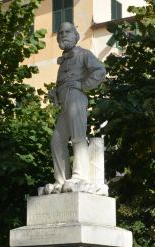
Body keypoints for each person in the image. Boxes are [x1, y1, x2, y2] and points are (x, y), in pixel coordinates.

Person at [44, 22, 106, 194]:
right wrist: (55, 93)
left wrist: (83, 85)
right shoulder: (63, 61)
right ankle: (61, 181)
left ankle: (80, 176)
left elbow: (100, 71)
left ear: (76, 36)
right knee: (56, 141)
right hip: (64, 102)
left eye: (68, 31)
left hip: (76, 97)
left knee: (78, 137)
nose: (64, 34)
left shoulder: (83, 54)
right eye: (61, 32)